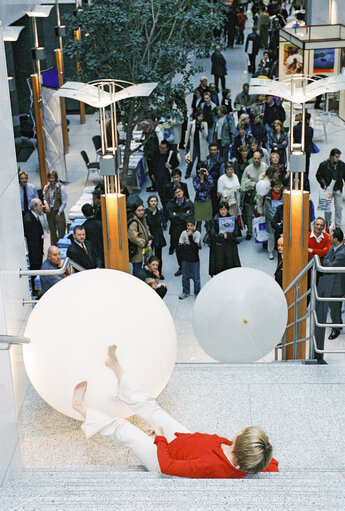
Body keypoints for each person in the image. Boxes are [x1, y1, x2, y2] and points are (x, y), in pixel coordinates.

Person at [72, 345, 278, 478]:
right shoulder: (251, 458)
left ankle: (82, 408)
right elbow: (269, 464)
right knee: (152, 408)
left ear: (239, 443)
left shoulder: (210, 465)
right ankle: (117, 369)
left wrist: (160, 438)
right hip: (184, 441)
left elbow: (168, 466)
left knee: (124, 429)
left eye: (243, 432)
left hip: (163, 457)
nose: (241, 429)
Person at [315, 228, 345, 363]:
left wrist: (326, 263)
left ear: (336, 239)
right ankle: (337, 323)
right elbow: (326, 259)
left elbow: (330, 264)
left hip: (338, 285)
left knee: (335, 308)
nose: (329, 238)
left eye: (331, 237)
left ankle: (337, 328)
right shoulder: (334, 248)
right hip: (332, 282)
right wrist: (326, 262)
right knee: (333, 308)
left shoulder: (342, 253)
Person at [167, 186, 194, 276]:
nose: (178, 193)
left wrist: (177, 215)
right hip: (175, 229)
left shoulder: (189, 203)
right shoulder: (170, 203)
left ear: (183, 192)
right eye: (176, 192)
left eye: (180, 191)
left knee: (188, 249)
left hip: (186, 228)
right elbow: (171, 217)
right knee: (178, 250)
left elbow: (190, 216)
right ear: (174, 194)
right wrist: (183, 215)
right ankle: (181, 267)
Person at [209, 202, 241, 277]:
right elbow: (212, 234)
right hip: (219, 248)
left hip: (230, 247)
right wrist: (222, 236)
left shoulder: (233, 219)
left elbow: (237, 232)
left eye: (224, 209)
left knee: (231, 266)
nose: (222, 211)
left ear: (227, 210)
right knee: (220, 268)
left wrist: (228, 235)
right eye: (221, 209)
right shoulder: (215, 220)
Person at [316, 148, 345, 228]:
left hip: (337, 188)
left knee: (339, 208)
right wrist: (324, 184)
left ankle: (338, 225)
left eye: (339, 157)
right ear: (331, 156)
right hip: (328, 189)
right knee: (327, 208)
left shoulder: (342, 165)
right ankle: (328, 224)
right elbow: (319, 175)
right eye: (336, 157)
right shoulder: (323, 165)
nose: (338, 158)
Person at [241, 152, 268, 240]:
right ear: (252, 158)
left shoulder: (265, 167)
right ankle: (249, 232)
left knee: (262, 213)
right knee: (249, 214)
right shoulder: (248, 169)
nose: (256, 160)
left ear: (261, 158)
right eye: (255, 158)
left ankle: (263, 231)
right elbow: (244, 181)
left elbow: (269, 178)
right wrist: (254, 184)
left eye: (258, 158)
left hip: (263, 193)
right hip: (251, 193)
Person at [152, 140, 179, 219]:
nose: (161, 150)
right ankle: (166, 211)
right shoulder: (156, 153)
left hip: (166, 178)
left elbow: (176, 163)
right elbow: (152, 164)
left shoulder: (171, 154)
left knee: (166, 196)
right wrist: (152, 174)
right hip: (158, 178)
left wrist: (170, 166)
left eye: (163, 148)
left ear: (167, 148)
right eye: (160, 148)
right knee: (161, 196)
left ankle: (167, 213)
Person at [23, 198, 44, 293]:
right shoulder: (29, 220)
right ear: (35, 207)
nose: (42, 207)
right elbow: (32, 241)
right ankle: (34, 290)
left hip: (38, 251)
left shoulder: (35, 216)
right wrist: (36, 254)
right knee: (34, 271)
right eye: (40, 205)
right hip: (33, 253)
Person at [177, 219, 201, 300]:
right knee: (185, 276)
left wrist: (190, 237)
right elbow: (180, 246)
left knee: (196, 277)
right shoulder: (183, 233)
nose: (190, 227)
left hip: (194, 259)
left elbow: (195, 248)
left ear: (194, 225)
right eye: (188, 225)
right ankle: (186, 292)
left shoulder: (197, 234)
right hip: (185, 258)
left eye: (191, 225)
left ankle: (197, 292)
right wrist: (191, 245)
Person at [127, 203, 152, 277]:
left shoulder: (142, 219)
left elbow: (147, 229)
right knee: (137, 271)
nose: (141, 212)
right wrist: (145, 243)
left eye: (142, 210)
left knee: (145, 267)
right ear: (134, 211)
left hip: (144, 249)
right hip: (137, 251)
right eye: (139, 210)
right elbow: (134, 237)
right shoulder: (133, 222)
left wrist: (150, 238)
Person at [145, 196, 166, 279]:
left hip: (158, 235)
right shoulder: (146, 212)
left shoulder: (160, 211)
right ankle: (149, 272)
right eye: (151, 201)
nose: (153, 202)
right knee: (149, 255)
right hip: (150, 235)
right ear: (148, 202)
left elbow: (163, 221)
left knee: (158, 255)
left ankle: (159, 272)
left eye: (155, 201)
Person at [43, 170, 67, 246]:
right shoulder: (46, 188)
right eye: (49, 178)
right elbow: (44, 198)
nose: (51, 180)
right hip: (50, 212)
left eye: (52, 178)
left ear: (56, 178)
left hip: (58, 211)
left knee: (61, 231)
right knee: (52, 232)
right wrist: (46, 205)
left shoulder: (61, 188)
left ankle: (62, 248)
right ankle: (53, 248)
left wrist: (59, 213)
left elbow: (64, 202)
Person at [185, 111, 209, 178]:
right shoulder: (192, 124)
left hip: (201, 145)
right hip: (194, 144)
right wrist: (186, 143)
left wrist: (203, 127)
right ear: (196, 116)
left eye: (202, 116)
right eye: (199, 116)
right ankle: (188, 173)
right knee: (191, 160)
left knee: (200, 160)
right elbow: (188, 134)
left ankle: (198, 173)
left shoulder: (205, 124)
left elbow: (205, 135)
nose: (200, 118)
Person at [264, 179, 283, 260]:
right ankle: (270, 251)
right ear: (272, 188)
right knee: (271, 236)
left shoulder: (283, 194)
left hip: (281, 219)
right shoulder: (268, 197)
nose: (278, 189)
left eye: (279, 187)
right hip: (271, 220)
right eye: (276, 187)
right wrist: (275, 220)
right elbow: (268, 210)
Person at [293, 112, 314, 185]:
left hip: (297, 150)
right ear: (307, 120)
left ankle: (296, 182)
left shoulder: (295, 128)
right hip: (306, 151)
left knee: (296, 167)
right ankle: (304, 183)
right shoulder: (310, 129)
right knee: (306, 168)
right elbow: (310, 140)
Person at [193, 162, 214, 236]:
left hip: (207, 201)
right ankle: (197, 240)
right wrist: (201, 180)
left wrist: (207, 175)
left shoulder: (208, 177)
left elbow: (211, 185)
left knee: (208, 221)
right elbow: (197, 189)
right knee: (198, 222)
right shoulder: (195, 178)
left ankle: (208, 238)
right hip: (198, 202)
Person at [139, 120, 159, 192]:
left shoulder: (151, 136)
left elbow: (152, 148)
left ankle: (155, 187)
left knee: (152, 172)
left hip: (152, 158)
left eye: (142, 127)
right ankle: (154, 185)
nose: (141, 128)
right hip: (151, 156)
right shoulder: (149, 133)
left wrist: (149, 157)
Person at [81, 203, 104, 268]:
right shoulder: (100, 224)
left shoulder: (84, 227)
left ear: (83, 214)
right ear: (93, 211)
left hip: (91, 254)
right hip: (102, 252)